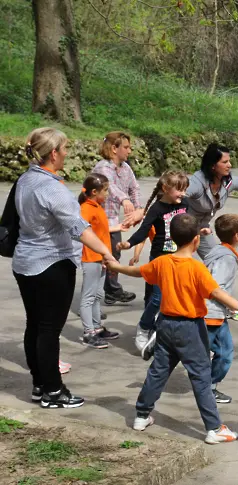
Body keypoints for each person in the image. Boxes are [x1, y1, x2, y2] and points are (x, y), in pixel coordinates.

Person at [108, 213, 238, 444]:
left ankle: (142, 415)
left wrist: (116, 266)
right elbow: (217, 293)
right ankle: (214, 428)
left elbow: (138, 272)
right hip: (191, 328)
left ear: (171, 238)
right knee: (201, 376)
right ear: (196, 240)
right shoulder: (196, 268)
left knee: (159, 371)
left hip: (164, 324)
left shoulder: (162, 262)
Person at [16, 128, 116, 409]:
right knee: (49, 330)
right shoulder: (50, 187)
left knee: (35, 325)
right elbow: (79, 228)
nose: (68, 153)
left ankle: (40, 385)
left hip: (25, 263)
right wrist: (106, 252)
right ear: (53, 154)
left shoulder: (25, 179)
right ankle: (53, 391)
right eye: (65, 148)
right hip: (51, 265)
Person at [117, 171, 190, 358]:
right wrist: (129, 243)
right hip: (160, 258)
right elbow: (143, 231)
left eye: (184, 190)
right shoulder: (157, 209)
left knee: (170, 297)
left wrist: (200, 231)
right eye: (179, 190)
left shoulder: (185, 204)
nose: (182, 194)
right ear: (166, 189)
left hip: (180, 258)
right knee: (157, 297)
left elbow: (190, 225)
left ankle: (161, 332)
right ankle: (144, 327)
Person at [92, 132, 142, 305]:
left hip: (113, 221)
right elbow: (110, 186)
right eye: (126, 147)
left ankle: (111, 290)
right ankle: (96, 300)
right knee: (99, 260)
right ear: (114, 148)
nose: (129, 151)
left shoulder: (125, 168)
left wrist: (137, 209)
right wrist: (124, 199)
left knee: (114, 253)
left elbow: (134, 188)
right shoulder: (103, 168)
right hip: (98, 220)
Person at [78, 173, 125, 350]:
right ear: (94, 191)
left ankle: (97, 327)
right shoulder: (86, 209)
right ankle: (88, 332)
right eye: (105, 191)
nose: (107, 194)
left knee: (98, 295)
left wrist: (118, 227)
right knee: (88, 296)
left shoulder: (97, 206)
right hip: (90, 258)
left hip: (100, 258)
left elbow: (100, 232)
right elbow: (82, 232)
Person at [204, 214, 238, 405]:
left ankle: (165, 342)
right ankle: (210, 388)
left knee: (202, 350)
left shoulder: (217, 251)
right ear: (237, 236)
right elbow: (217, 288)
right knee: (224, 353)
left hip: (211, 312)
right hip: (213, 314)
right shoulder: (227, 258)